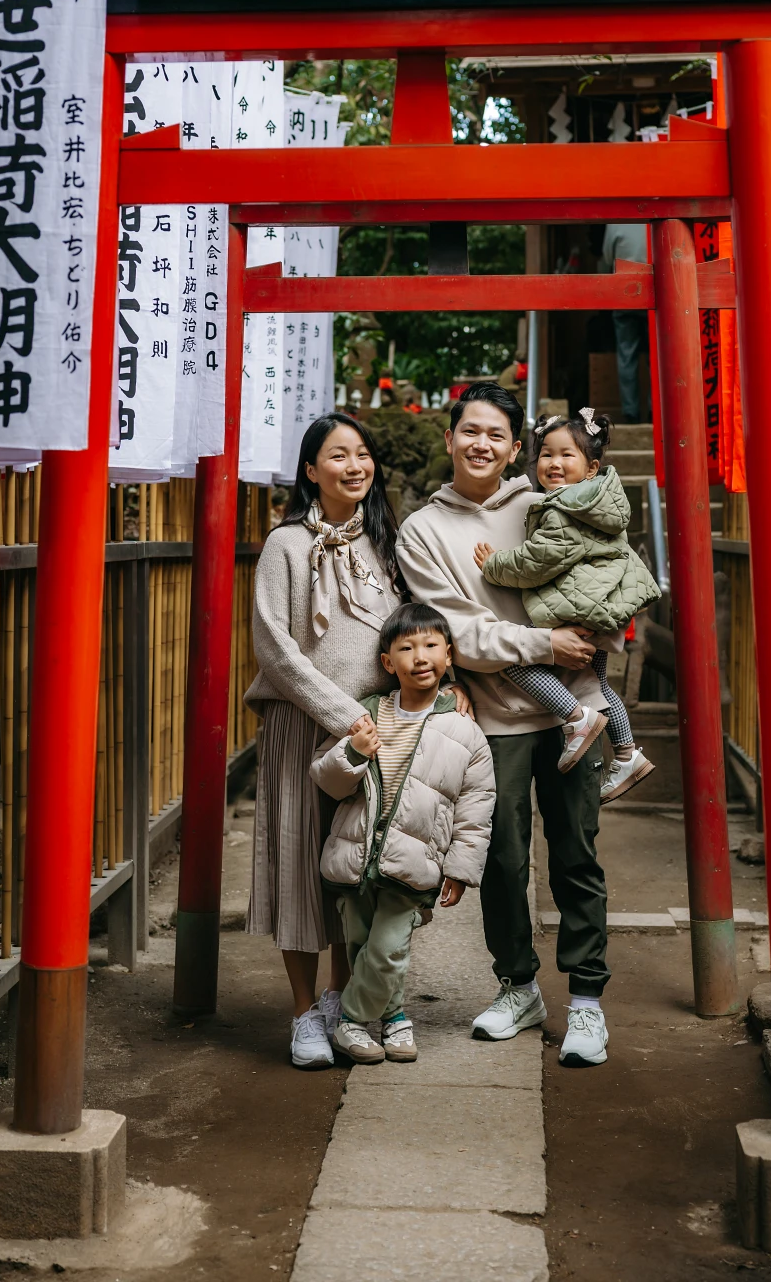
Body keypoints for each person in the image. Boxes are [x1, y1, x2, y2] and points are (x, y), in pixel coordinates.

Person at [395, 381, 618, 1066]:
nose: (481, 444)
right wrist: (540, 644)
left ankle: (585, 999)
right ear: (449, 438)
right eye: (470, 431)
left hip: (574, 705)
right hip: (492, 717)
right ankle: (516, 985)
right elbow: (454, 633)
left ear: (514, 447)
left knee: (576, 852)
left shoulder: (546, 503)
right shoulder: (422, 529)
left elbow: (597, 571)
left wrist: (587, 627)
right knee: (499, 858)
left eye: (496, 435)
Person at [245, 413, 471, 1071]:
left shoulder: (384, 541)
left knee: (357, 870)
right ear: (311, 470)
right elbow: (274, 648)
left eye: (362, 454)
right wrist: (343, 714)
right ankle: (301, 1013)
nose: (354, 465)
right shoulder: (285, 544)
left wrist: (424, 696)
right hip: (305, 727)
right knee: (298, 868)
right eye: (337, 455)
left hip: (379, 731)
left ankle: (352, 1002)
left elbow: (411, 629)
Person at [310, 603, 495, 1065]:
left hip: (412, 863)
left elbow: (476, 808)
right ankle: (394, 1018)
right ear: (388, 663)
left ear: (449, 656)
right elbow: (326, 779)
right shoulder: (368, 714)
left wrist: (461, 869)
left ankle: (350, 1021)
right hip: (355, 857)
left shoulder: (464, 731)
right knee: (361, 945)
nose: (420, 656)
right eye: (407, 648)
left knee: (389, 948)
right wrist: (352, 754)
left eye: (431, 645)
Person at [475, 409, 661, 804]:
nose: (554, 463)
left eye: (566, 455)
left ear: (591, 467)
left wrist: (495, 565)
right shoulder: (600, 500)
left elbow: (540, 560)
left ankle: (578, 718)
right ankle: (627, 755)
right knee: (597, 682)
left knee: (513, 661)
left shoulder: (563, 508)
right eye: (546, 454)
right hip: (604, 603)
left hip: (582, 608)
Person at [602, 222, 649, 423]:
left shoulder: (616, 221)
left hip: (624, 293)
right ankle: (657, 409)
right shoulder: (654, 215)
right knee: (657, 356)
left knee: (626, 355)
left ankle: (631, 412)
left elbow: (606, 257)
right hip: (654, 290)